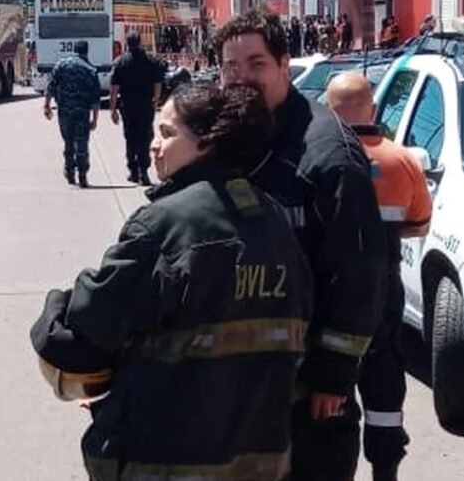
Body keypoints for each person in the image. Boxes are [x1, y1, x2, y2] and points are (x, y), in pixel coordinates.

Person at [31, 82, 314, 481]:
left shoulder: (164, 225)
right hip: (262, 461)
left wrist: (55, 307)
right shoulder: (273, 218)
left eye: (167, 133)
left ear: (207, 142)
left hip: (165, 462)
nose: (153, 144)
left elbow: (81, 338)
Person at [215, 8, 389, 481]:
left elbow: (360, 272)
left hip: (308, 384)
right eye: (230, 67)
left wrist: (333, 373)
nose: (240, 78)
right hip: (243, 376)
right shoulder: (228, 138)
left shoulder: (327, 153)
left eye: (256, 65)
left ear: (285, 65)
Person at [325, 72, 433, 481]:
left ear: (329, 111)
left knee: (331, 380)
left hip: (332, 290)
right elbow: (419, 224)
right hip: (383, 288)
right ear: (372, 110)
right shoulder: (401, 160)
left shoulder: (320, 155)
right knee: (384, 377)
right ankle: (385, 469)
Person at [44, 40, 101, 188]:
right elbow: (95, 99)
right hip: (82, 113)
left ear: (74, 50)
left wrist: (47, 105)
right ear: (86, 51)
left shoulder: (61, 65)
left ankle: (70, 171)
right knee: (82, 144)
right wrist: (94, 119)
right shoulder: (91, 70)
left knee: (68, 141)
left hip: (65, 112)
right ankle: (82, 174)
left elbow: (51, 87)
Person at [109, 32, 163, 186]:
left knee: (130, 138)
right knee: (145, 137)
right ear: (140, 42)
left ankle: (133, 170)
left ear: (127, 43)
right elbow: (157, 83)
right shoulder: (151, 60)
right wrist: (156, 101)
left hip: (128, 106)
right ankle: (144, 171)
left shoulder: (120, 62)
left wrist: (113, 109)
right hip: (145, 105)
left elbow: (114, 88)